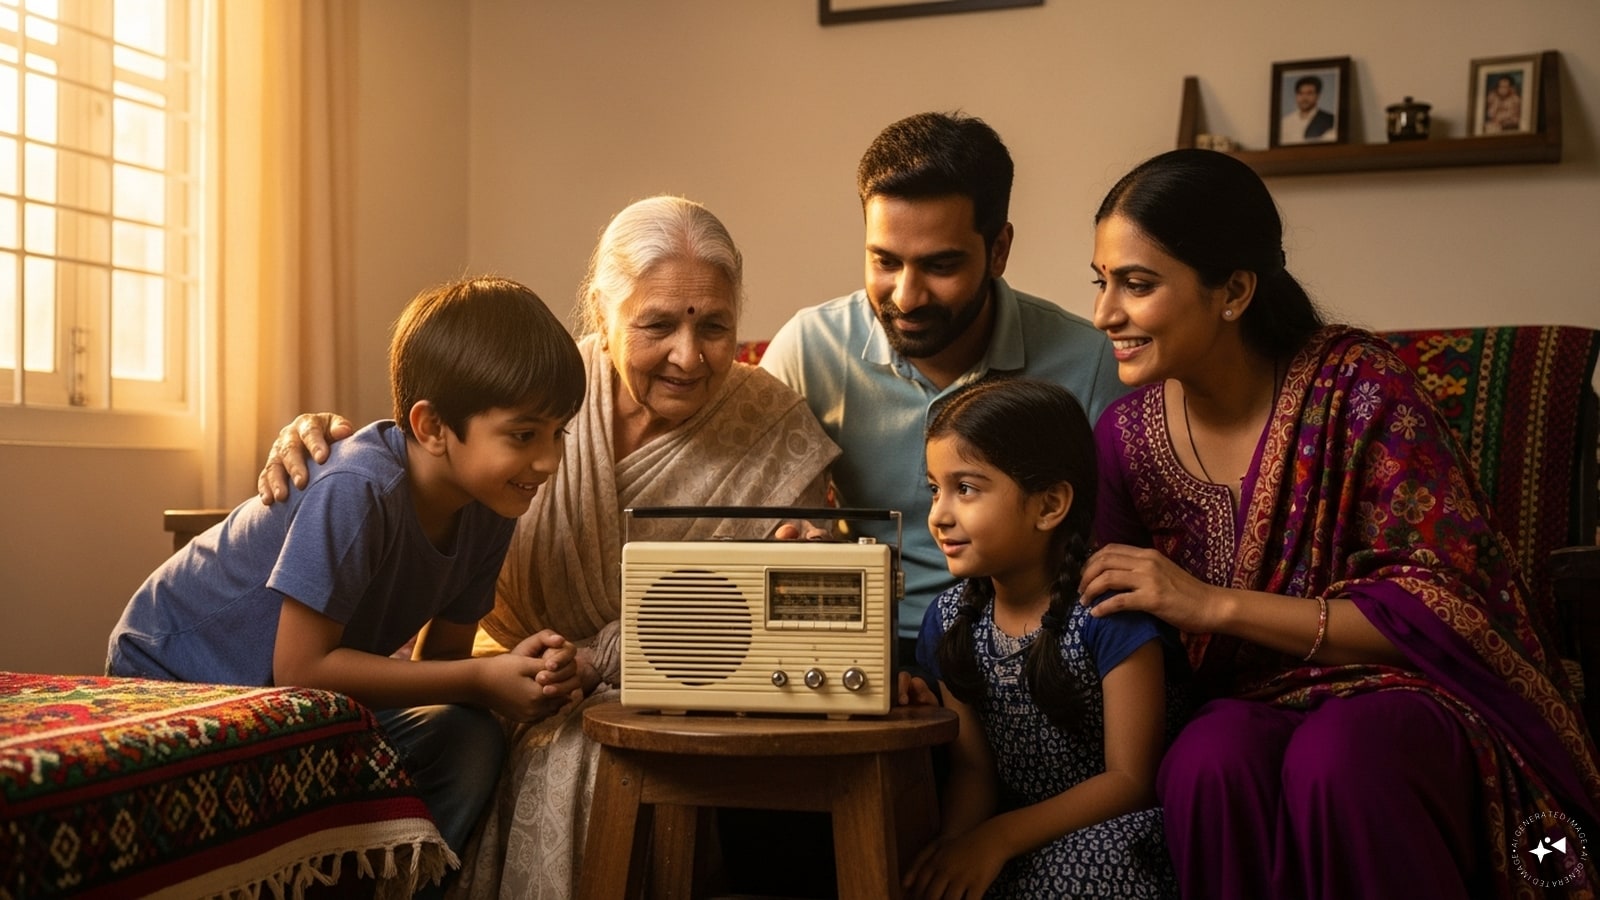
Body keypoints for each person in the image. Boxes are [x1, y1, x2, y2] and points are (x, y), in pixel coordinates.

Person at [255, 196, 841, 900]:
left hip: (672, 703)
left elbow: (791, 625)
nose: (690, 356)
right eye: (657, 325)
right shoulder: (548, 387)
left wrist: (815, 561)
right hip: (495, 669)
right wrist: (321, 442)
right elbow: (419, 455)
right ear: (602, 311)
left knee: (596, 755)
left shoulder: (775, 427)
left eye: (715, 327)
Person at [1080, 148, 1600, 898]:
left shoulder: (1361, 389)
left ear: (1233, 291)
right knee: (1207, 758)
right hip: (1247, 705)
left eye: (1137, 284)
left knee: (1340, 759)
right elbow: (1105, 619)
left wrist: (1211, 604)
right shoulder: (1125, 440)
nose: (1105, 314)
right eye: (1100, 282)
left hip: (1407, 693)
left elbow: (1445, 608)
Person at [107, 275, 588, 869]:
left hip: (292, 694)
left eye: (557, 433)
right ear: (433, 427)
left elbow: (440, 668)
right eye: (523, 435)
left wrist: (516, 673)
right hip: (174, 663)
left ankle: (401, 884)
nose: (548, 460)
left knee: (468, 738)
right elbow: (300, 668)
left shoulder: (490, 508)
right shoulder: (360, 486)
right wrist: (480, 679)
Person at [759, 110, 1125, 666]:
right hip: (861, 646)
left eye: (940, 265)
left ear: (998, 250)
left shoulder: (1090, 361)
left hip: (1027, 649)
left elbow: (1120, 543)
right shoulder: (810, 348)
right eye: (884, 261)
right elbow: (751, 508)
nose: (906, 296)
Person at [907, 378, 1180, 900]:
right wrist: (957, 847)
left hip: (1113, 833)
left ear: (1049, 505)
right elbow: (972, 772)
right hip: (1008, 835)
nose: (939, 514)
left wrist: (998, 839)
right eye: (934, 488)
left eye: (965, 488)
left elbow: (1130, 780)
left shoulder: (1110, 611)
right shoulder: (948, 619)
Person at [1277, 75, 1336, 144]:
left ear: (1317, 96)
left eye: (1309, 93)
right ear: (1296, 96)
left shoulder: (1330, 120)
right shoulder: (1285, 122)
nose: (1304, 98)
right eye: (1300, 93)